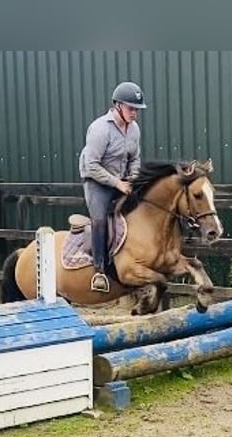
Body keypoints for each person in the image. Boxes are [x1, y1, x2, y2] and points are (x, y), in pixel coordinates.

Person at [78, 81, 147, 293]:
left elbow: (135, 158)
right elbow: (91, 165)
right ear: (117, 105)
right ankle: (99, 271)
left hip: (123, 178)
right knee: (99, 220)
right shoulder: (100, 129)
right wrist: (118, 183)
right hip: (96, 180)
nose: (134, 113)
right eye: (131, 108)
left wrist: (133, 179)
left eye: (137, 109)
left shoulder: (134, 129)